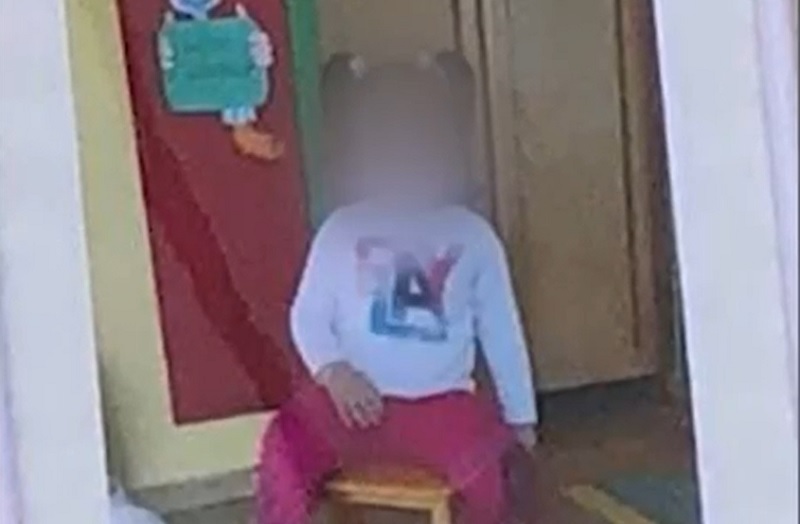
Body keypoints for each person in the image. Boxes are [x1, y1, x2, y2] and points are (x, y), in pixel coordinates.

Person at [256, 51, 539, 524]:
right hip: (355, 404)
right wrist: (334, 372)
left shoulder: (472, 237)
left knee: (494, 470)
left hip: (443, 407)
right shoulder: (341, 230)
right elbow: (308, 315)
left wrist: (521, 418)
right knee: (285, 445)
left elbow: (502, 334)